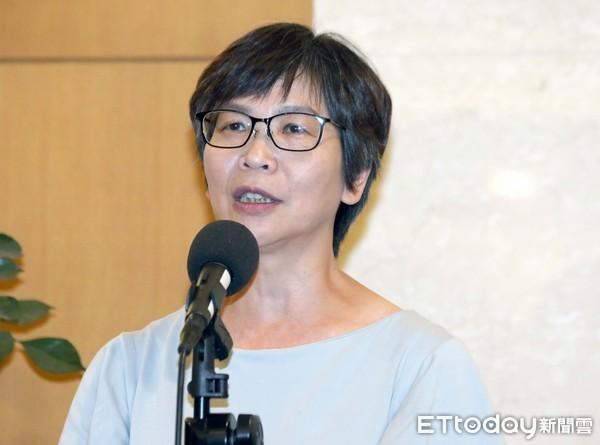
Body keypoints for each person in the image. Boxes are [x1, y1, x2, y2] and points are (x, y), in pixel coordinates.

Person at [60, 23, 503, 444]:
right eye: (234, 125)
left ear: (356, 177)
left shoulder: (420, 367)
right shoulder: (131, 367)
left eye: (293, 128)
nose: (255, 155)